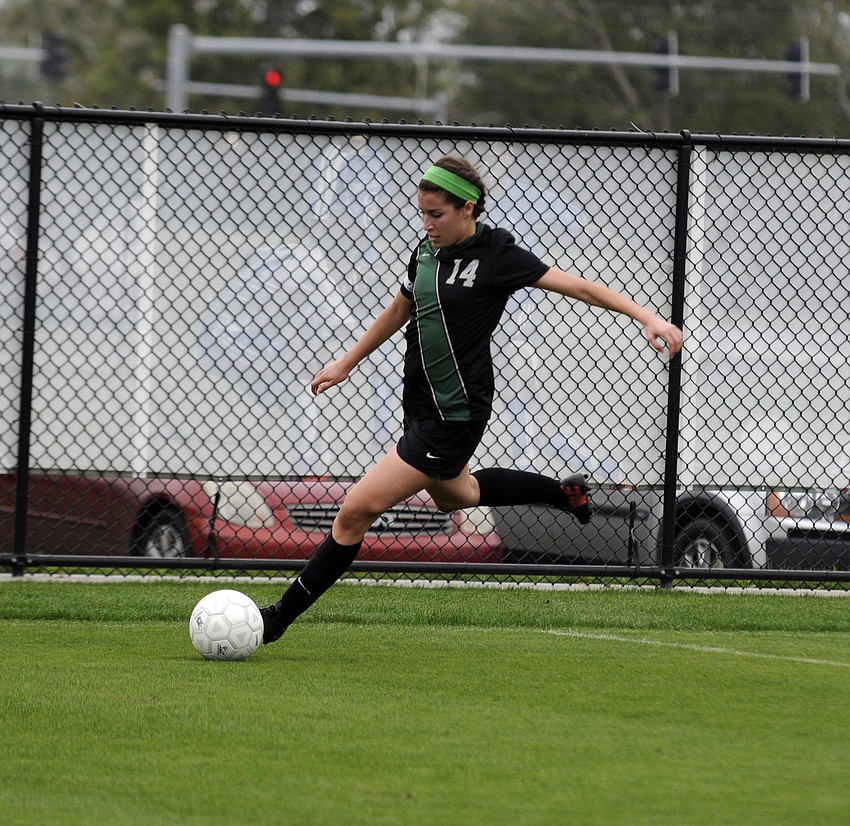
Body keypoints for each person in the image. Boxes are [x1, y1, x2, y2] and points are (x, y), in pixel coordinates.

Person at [259, 155, 684, 644]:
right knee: (456, 495)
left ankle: (277, 619)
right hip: (421, 406)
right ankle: (562, 494)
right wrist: (347, 362)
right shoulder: (425, 252)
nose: (427, 223)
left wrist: (647, 316)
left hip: (454, 413)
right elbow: (402, 307)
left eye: (436, 214)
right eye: (421, 213)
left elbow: (581, 288)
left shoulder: (497, 254)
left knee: (356, 510)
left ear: (469, 208)